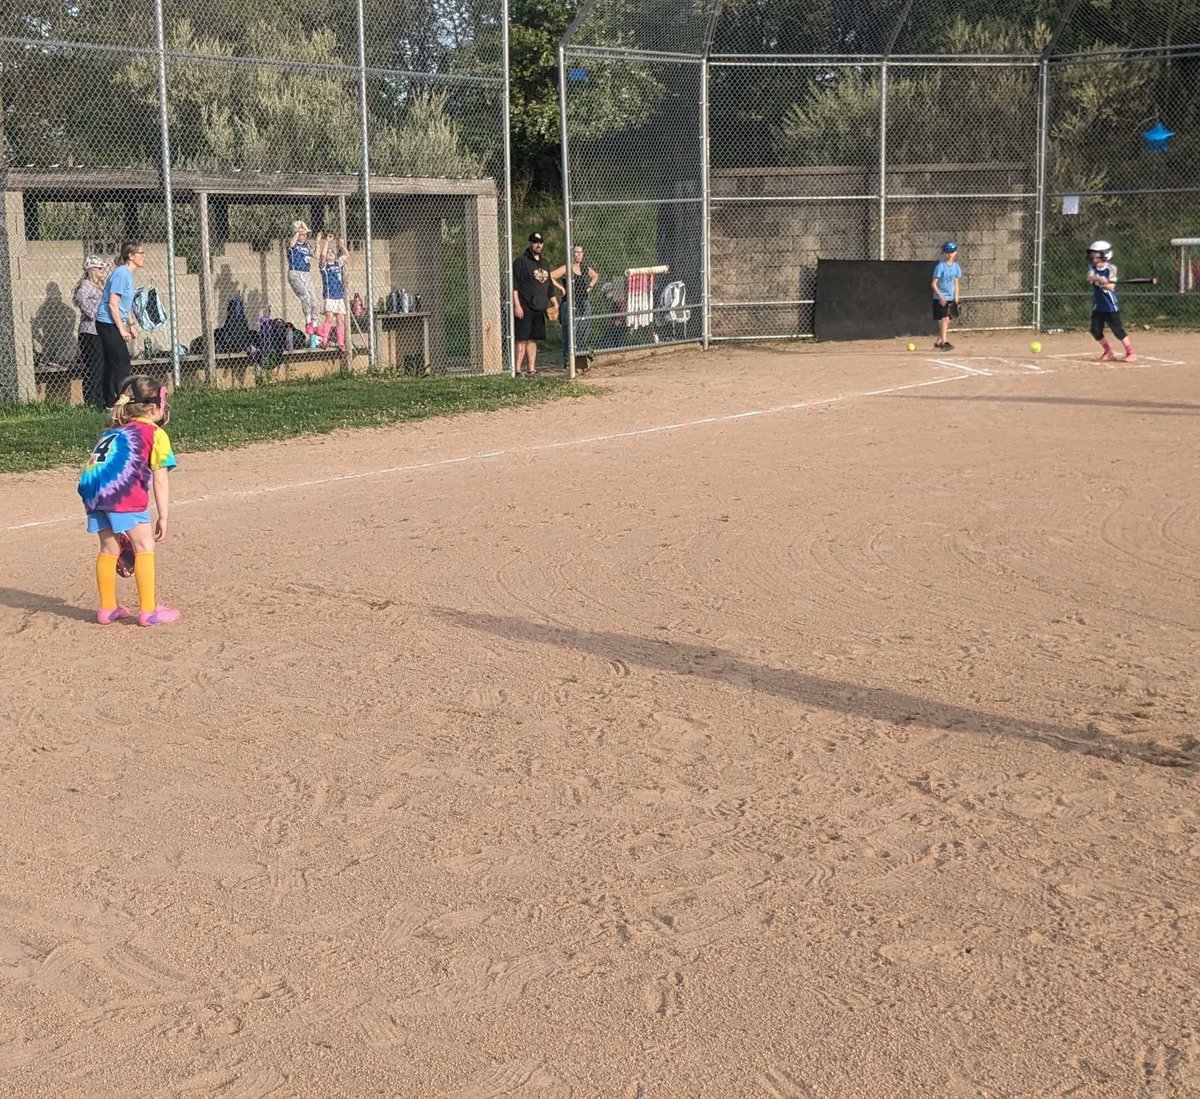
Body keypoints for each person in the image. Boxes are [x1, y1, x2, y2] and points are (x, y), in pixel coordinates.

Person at [77, 374, 180, 627]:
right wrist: (164, 516)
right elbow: (160, 480)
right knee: (144, 545)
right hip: (121, 492)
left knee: (109, 549)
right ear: (156, 405)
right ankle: (148, 611)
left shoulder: (113, 431)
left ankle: (107, 608)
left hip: (91, 489)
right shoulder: (153, 433)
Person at [95, 242, 145, 410]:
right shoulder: (121, 274)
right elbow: (113, 304)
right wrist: (121, 329)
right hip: (107, 322)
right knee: (122, 362)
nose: (143, 256)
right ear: (130, 256)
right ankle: (120, 400)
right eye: (140, 253)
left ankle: (108, 403)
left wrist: (130, 324)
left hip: (114, 322)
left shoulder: (128, 275)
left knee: (112, 362)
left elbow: (126, 304)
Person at [1086, 239, 1136, 363]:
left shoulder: (1111, 269)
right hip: (1098, 305)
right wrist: (1099, 278)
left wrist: (1105, 283)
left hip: (1110, 305)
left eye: (1097, 257)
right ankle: (1108, 351)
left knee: (1117, 330)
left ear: (1106, 256)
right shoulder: (1092, 268)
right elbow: (1090, 277)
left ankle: (1131, 353)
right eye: (1092, 256)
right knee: (1095, 330)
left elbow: (1111, 287)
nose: (1094, 260)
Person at [512, 231, 553, 376]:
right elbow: (514, 285)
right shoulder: (521, 262)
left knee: (533, 339)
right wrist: (517, 305)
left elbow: (549, 285)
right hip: (524, 307)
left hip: (539, 308)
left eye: (540, 242)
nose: (538, 245)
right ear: (530, 243)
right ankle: (516, 370)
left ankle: (531, 369)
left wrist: (554, 302)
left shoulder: (545, 263)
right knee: (522, 339)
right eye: (535, 242)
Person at [552, 244, 599, 369]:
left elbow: (595, 276)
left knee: (584, 329)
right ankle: (568, 361)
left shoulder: (584, 268)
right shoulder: (567, 268)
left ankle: (580, 356)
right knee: (569, 331)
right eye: (575, 252)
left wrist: (590, 287)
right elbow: (551, 276)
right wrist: (562, 288)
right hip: (569, 302)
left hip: (583, 301)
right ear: (571, 254)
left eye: (580, 252)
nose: (578, 255)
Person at [73, 255, 109, 408]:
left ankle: (99, 401)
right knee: (93, 367)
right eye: (100, 268)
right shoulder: (87, 284)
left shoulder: (96, 286)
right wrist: (93, 314)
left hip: (97, 331)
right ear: (92, 270)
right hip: (90, 332)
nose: (103, 271)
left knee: (100, 366)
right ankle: (91, 401)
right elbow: (80, 298)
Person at [286, 220, 320, 336]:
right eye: (301, 234)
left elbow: (316, 256)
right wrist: (297, 231)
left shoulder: (307, 245)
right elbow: (291, 245)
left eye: (305, 234)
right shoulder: (292, 243)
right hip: (295, 273)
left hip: (306, 274)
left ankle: (314, 324)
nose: (304, 236)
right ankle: (308, 322)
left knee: (314, 300)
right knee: (305, 296)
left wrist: (318, 243)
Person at [316, 232, 348, 351]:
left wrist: (341, 245)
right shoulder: (324, 267)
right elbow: (322, 256)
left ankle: (340, 343)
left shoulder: (337, 264)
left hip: (339, 296)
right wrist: (327, 242)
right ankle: (324, 340)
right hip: (329, 296)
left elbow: (346, 254)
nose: (330, 253)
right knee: (329, 318)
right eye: (329, 252)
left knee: (340, 319)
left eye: (332, 252)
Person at [930, 241, 961, 351]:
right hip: (940, 299)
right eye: (947, 252)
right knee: (944, 319)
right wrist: (940, 296)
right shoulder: (940, 266)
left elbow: (956, 283)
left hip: (950, 298)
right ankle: (944, 342)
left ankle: (937, 343)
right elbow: (933, 284)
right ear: (944, 253)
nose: (949, 254)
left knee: (947, 321)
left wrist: (956, 297)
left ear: (955, 253)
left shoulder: (956, 267)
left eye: (952, 252)